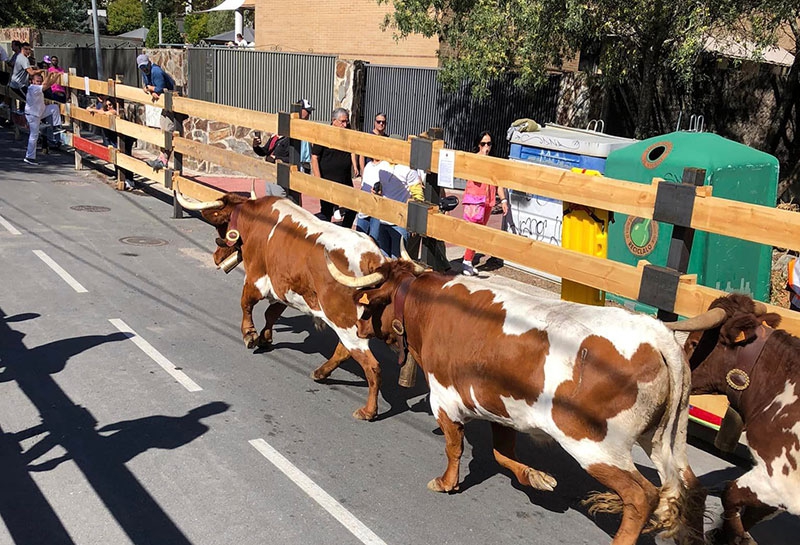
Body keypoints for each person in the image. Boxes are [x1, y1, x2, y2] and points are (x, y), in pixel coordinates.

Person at [460, 131, 508, 276]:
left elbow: (498, 183)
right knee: (474, 232)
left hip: (488, 201)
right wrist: (483, 160)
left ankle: (468, 260)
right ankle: (467, 261)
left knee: (480, 232)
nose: (486, 146)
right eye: (483, 143)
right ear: (478, 144)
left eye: (489, 143)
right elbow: (474, 177)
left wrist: (504, 200)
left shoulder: (494, 162)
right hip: (476, 200)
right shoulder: (474, 159)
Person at [363, 160, 424, 258]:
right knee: (384, 260)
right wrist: (377, 192)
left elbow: (419, 198)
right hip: (382, 221)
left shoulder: (409, 169)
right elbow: (383, 188)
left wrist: (414, 223)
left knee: (397, 261)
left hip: (400, 223)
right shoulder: (382, 166)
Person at [311, 108, 358, 227]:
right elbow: (315, 157)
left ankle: (345, 229)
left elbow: (353, 149)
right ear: (334, 121)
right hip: (328, 180)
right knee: (327, 211)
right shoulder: (324, 134)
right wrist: (318, 179)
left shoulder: (348, 134)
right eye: (342, 122)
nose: (345, 124)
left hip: (345, 179)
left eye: (346, 122)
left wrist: (355, 165)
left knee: (353, 208)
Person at [137, 53, 176, 171]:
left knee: (169, 130)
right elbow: (147, 86)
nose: (144, 69)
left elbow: (160, 88)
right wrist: (149, 89)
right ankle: (161, 158)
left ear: (149, 62)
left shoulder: (156, 71)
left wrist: (151, 89)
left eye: (145, 66)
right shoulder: (145, 72)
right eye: (141, 67)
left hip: (172, 103)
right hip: (164, 105)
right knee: (163, 130)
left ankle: (164, 160)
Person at [89, 95, 137, 190]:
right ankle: (120, 177)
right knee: (116, 157)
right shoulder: (104, 110)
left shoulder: (117, 111)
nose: (109, 107)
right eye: (106, 106)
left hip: (125, 138)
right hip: (114, 138)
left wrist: (95, 110)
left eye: (110, 104)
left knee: (126, 157)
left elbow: (110, 113)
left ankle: (130, 180)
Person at [23, 71, 63, 165]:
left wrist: (49, 75)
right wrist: (55, 76)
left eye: (40, 81)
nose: (39, 83)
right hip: (33, 115)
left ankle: (56, 127)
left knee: (54, 108)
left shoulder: (37, 87)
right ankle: (29, 157)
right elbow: (47, 85)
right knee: (34, 136)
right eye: (37, 81)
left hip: (40, 112)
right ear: (32, 81)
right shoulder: (33, 88)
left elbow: (45, 83)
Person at [297, 98, 314, 172]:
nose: (309, 114)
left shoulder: (309, 127)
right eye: (308, 111)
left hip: (306, 163)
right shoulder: (294, 126)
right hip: (296, 161)